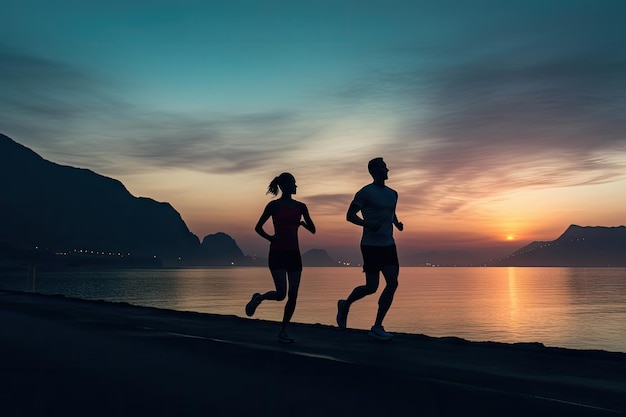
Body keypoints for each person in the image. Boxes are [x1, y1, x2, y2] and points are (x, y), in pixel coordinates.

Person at [336, 157, 403, 340]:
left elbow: (391, 211)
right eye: (383, 167)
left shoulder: (393, 193)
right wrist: (368, 224)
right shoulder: (365, 192)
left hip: (388, 244)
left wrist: (397, 223)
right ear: (374, 171)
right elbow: (350, 215)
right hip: (370, 245)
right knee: (371, 287)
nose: (387, 169)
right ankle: (345, 304)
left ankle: (377, 326)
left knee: (393, 282)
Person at [246, 172, 316, 343]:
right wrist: (271, 238)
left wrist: (302, 223)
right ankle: (259, 298)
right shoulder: (274, 206)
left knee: (293, 295)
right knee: (281, 294)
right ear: (285, 186)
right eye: (293, 183)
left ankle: (283, 330)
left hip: (294, 254)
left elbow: (313, 229)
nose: (296, 186)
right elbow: (258, 227)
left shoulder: (301, 207)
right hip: (277, 253)